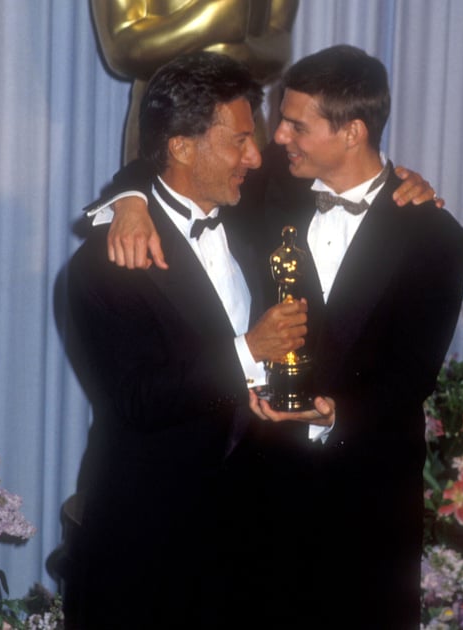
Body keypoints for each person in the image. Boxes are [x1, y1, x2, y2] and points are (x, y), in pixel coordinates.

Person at [92, 45, 463, 628]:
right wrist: (129, 200)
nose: (276, 140)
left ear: (352, 132)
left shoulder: (436, 236)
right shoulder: (266, 190)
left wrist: (330, 412)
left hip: (366, 497)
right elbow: (176, 157)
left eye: (297, 124)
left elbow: (412, 373)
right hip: (260, 497)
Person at [60, 51, 309, 629]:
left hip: (251, 540)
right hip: (151, 545)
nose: (257, 155)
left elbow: (347, 179)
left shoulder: (247, 212)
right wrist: (250, 350)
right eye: (241, 140)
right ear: (181, 146)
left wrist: (410, 189)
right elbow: (137, 400)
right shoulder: (106, 263)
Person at [91, 0, 299, 162]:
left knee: (245, 210)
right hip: (166, 119)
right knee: (159, 210)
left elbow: (280, 45)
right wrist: (217, 13)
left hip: (244, 119)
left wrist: (226, 50)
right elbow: (120, 49)